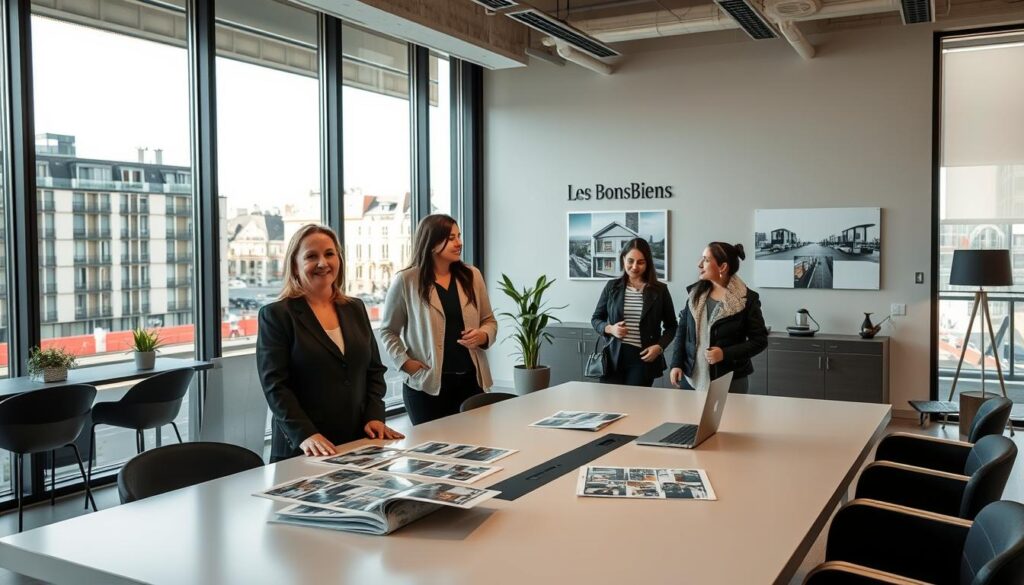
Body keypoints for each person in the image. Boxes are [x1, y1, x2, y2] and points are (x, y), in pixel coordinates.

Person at [257, 224, 404, 463]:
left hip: (359, 441)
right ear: (295, 264)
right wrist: (305, 434)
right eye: (311, 256)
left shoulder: (354, 308)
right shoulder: (277, 314)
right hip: (305, 448)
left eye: (329, 254)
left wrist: (375, 416)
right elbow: (275, 385)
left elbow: (374, 371)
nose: (322, 263)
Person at [380, 214, 497, 425]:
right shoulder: (406, 281)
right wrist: (404, 362)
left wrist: (483, 335)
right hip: (426, 387)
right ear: (432, 243)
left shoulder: (472, 276)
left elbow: (489, 320)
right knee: (431, 453)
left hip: (471, 383)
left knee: (478, 449)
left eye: (459, 236)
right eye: (451, 238)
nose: (459, 242)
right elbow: (388, 330)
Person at [669, 242, 768, 394]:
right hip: (691, 378)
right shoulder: (695, 294)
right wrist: (676, 364)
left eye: (706, 260)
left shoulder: (747, 300)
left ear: (722, 267)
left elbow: (760, 341)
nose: (699, 264)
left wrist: (724, 354)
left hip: (730, 381)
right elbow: (682, 331)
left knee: (732, 419)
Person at [591, 238, 677, 387]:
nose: (634, 267)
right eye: (630, 261)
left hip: (642, 360)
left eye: (640, 262)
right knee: (609, 407)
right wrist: (611, 329)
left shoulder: (660, 290)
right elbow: (596, 319)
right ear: (623, 259)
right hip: (613, 358)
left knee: (636, 407)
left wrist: (659, 347)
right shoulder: (612, 287)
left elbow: (672, 326)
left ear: (648, 263)